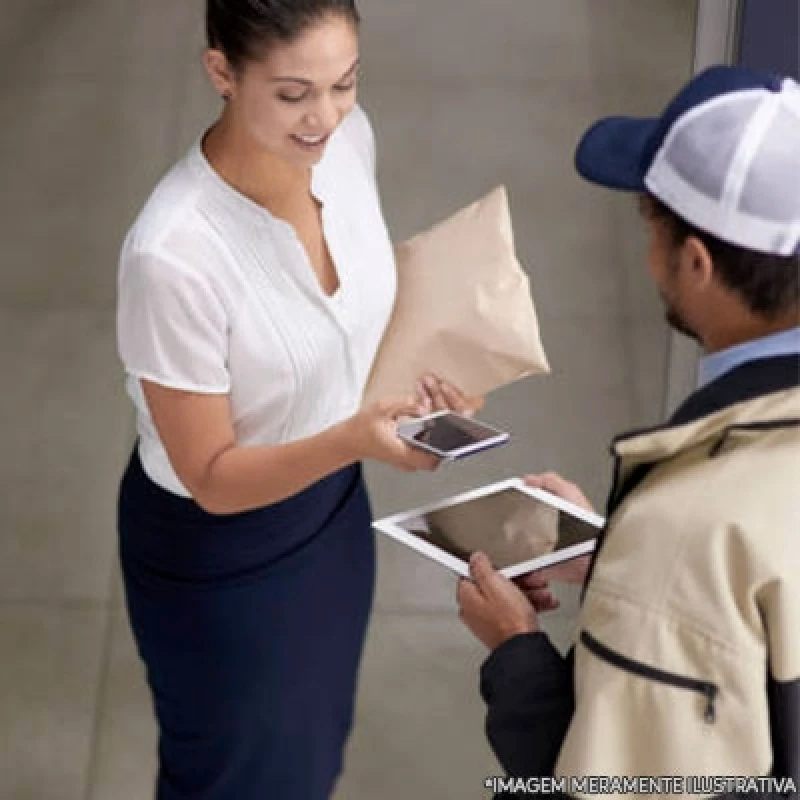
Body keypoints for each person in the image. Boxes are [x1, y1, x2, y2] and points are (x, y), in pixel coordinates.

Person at [116, 2, 478, 798]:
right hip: (218, 557)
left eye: (344, 83)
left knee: (309, 752)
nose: (325, 117)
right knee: (232, 773)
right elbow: (210, 475)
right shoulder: (171, 256)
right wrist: (354, 438)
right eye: (293, 94)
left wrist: (419, 382)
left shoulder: (350, 142)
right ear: (221, 73)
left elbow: (351, 321)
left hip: (330, 514)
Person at [458, 65, 800, 795]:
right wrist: (619, 558)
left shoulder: (690, 527)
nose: (648, 256)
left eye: (651, 226)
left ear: (697, 262)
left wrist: (516, 650)